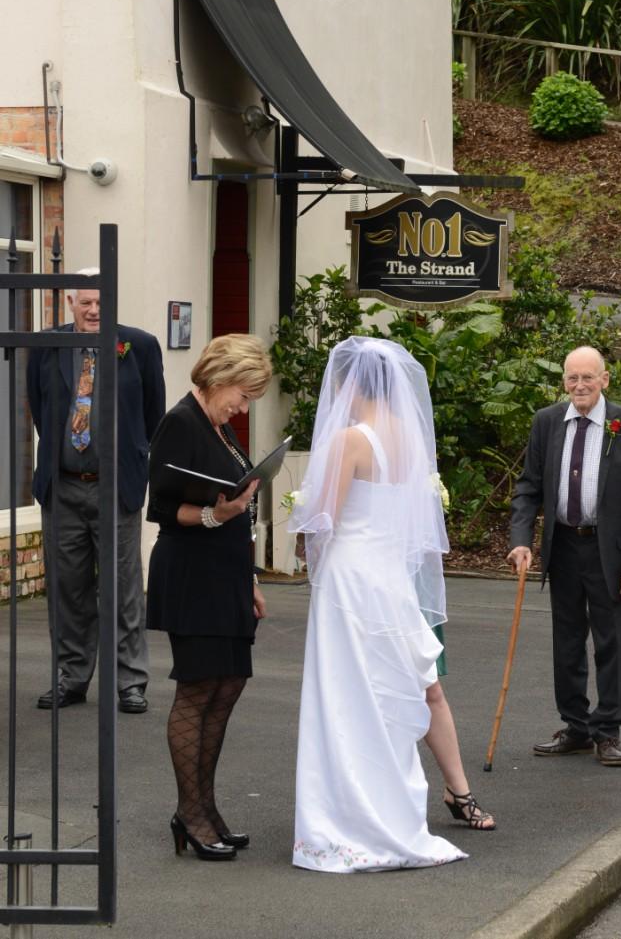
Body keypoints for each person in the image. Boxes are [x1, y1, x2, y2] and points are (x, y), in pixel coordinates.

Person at [289, 336, 492, 874]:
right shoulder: (407, 437)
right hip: (390, 580)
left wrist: (300, 523)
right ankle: (391, 810)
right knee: (389, 692)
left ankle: (349, 818)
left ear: (350, 386)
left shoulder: (350, 440)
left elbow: (324, 518)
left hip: (351, 580)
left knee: (346, 695)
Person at [145, 334, 272, 861]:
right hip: (192, 574)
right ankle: (190, 815)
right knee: (197, 690)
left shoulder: (220, 426)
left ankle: (205, 807)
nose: (243, 408)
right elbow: (161, 509)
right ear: (221, 379)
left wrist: (250, 580)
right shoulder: (181, 422)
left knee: (229, 683)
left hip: (226, 574)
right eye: (243, 395)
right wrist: (217, 514)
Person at [507, 346, 621, 767]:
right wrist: (521, 539)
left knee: (612, 643)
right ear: (564, 381)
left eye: (587, 377)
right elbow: (528, 488)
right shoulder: (547, 422)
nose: (579, 385)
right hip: (564, 549)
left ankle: (607, 731)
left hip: (611, 554)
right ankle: (576, 726)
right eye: (572, 378)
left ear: (604, 379)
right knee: (568, 642)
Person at [27, 268, 165, 713]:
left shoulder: (139, 346)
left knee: (123, 589)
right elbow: (39, 408)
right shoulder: (46, 346)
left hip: (115, 489)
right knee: (68, 589)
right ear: (71, 303)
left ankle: (130, 681)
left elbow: (152, 416)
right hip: (63, 488)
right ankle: (71, 676)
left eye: (101, 302)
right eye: (85, 302)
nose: (93, 310)